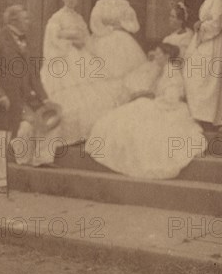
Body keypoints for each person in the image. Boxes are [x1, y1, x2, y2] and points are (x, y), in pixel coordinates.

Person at [88, 43, 207, 179]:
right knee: (128, 114)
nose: (155, 56)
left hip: (170, 108)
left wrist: (151, 101)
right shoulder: (163, 70)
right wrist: (145, 95)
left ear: (167, 56)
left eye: (158, 53)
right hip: (161, 103)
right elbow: (158, 92)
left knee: (139, 118)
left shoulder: (172, 72)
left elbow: (172, 98)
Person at [0, 5, 50, 193]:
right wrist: (0, 96)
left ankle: (23, 158)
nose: (29, 22)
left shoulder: (25, 43)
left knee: (32, 125)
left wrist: (44, 98)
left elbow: (33, 76)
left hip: (20, 101)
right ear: (13, 21)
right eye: (25, 19)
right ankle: (1, 182)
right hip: (0, 103)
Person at [183, 0, 222, 129]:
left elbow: (216, 23)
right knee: (193, 74)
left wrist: (201, 25)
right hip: (204, 40)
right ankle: (197, 114)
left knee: (206, 78)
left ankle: (207, 117)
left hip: (212, 42)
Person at [88, 0, 147, 79]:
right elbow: (95, 22)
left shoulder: (124, 4)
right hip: (103, 38)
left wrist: (122, 25)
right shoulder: (101, 3)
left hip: (123, 40)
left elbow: (134, 24)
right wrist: (108, 29)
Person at [40, 0, 93, 97]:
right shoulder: (57, 17)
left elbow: (86, 35)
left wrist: (82, 42)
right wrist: (72, 42)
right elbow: (53, 38)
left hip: (81, 53)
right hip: (63, 55)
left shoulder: (79, 18)